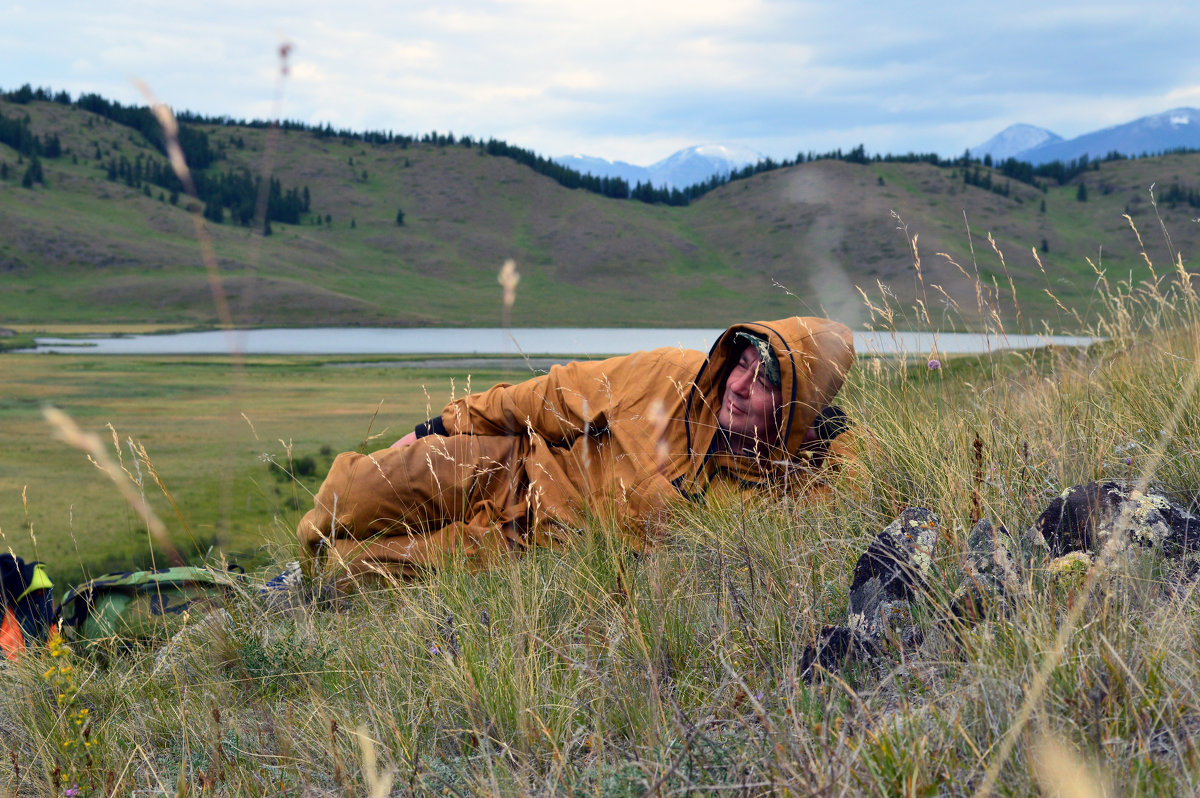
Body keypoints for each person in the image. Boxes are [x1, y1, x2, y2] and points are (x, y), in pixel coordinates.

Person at [297, 317, 856, 581]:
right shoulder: (668, 377)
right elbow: (551, 394)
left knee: (351, 577)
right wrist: (435, 427)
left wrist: (835, 433)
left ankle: (291, 585)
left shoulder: (790, 486)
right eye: (742, 364)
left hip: (516, 545)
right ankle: (301, 553)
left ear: (798, 410)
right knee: (354, 490)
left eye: (765, 381)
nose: (738, 384)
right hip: (507, 465)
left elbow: (877, 486)